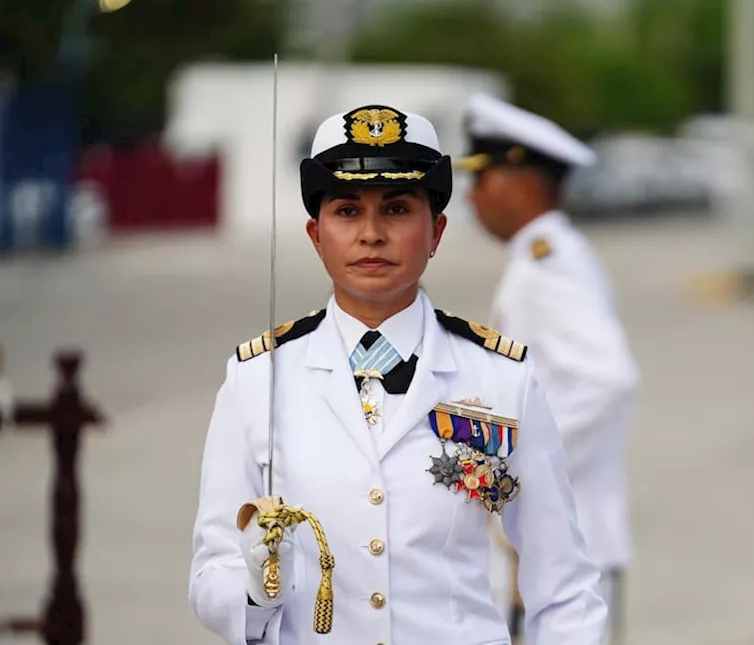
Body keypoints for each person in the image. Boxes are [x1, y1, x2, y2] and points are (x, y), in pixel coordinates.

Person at [188, 104, 608, 645]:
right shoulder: (258, 379)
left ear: (435, 231)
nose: (370, 234)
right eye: (346, 211)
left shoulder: (501, 376)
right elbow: (209, 575)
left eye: (396, 209)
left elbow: (564, 584)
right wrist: (254, 586)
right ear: (317, 236)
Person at [458, 93, 639, 644]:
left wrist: (515, 480)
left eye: (482, 177)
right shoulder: (548, 254)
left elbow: (608, 382)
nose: (472, 195)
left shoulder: (546, 266)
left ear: (521, 178)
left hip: (558, 549)